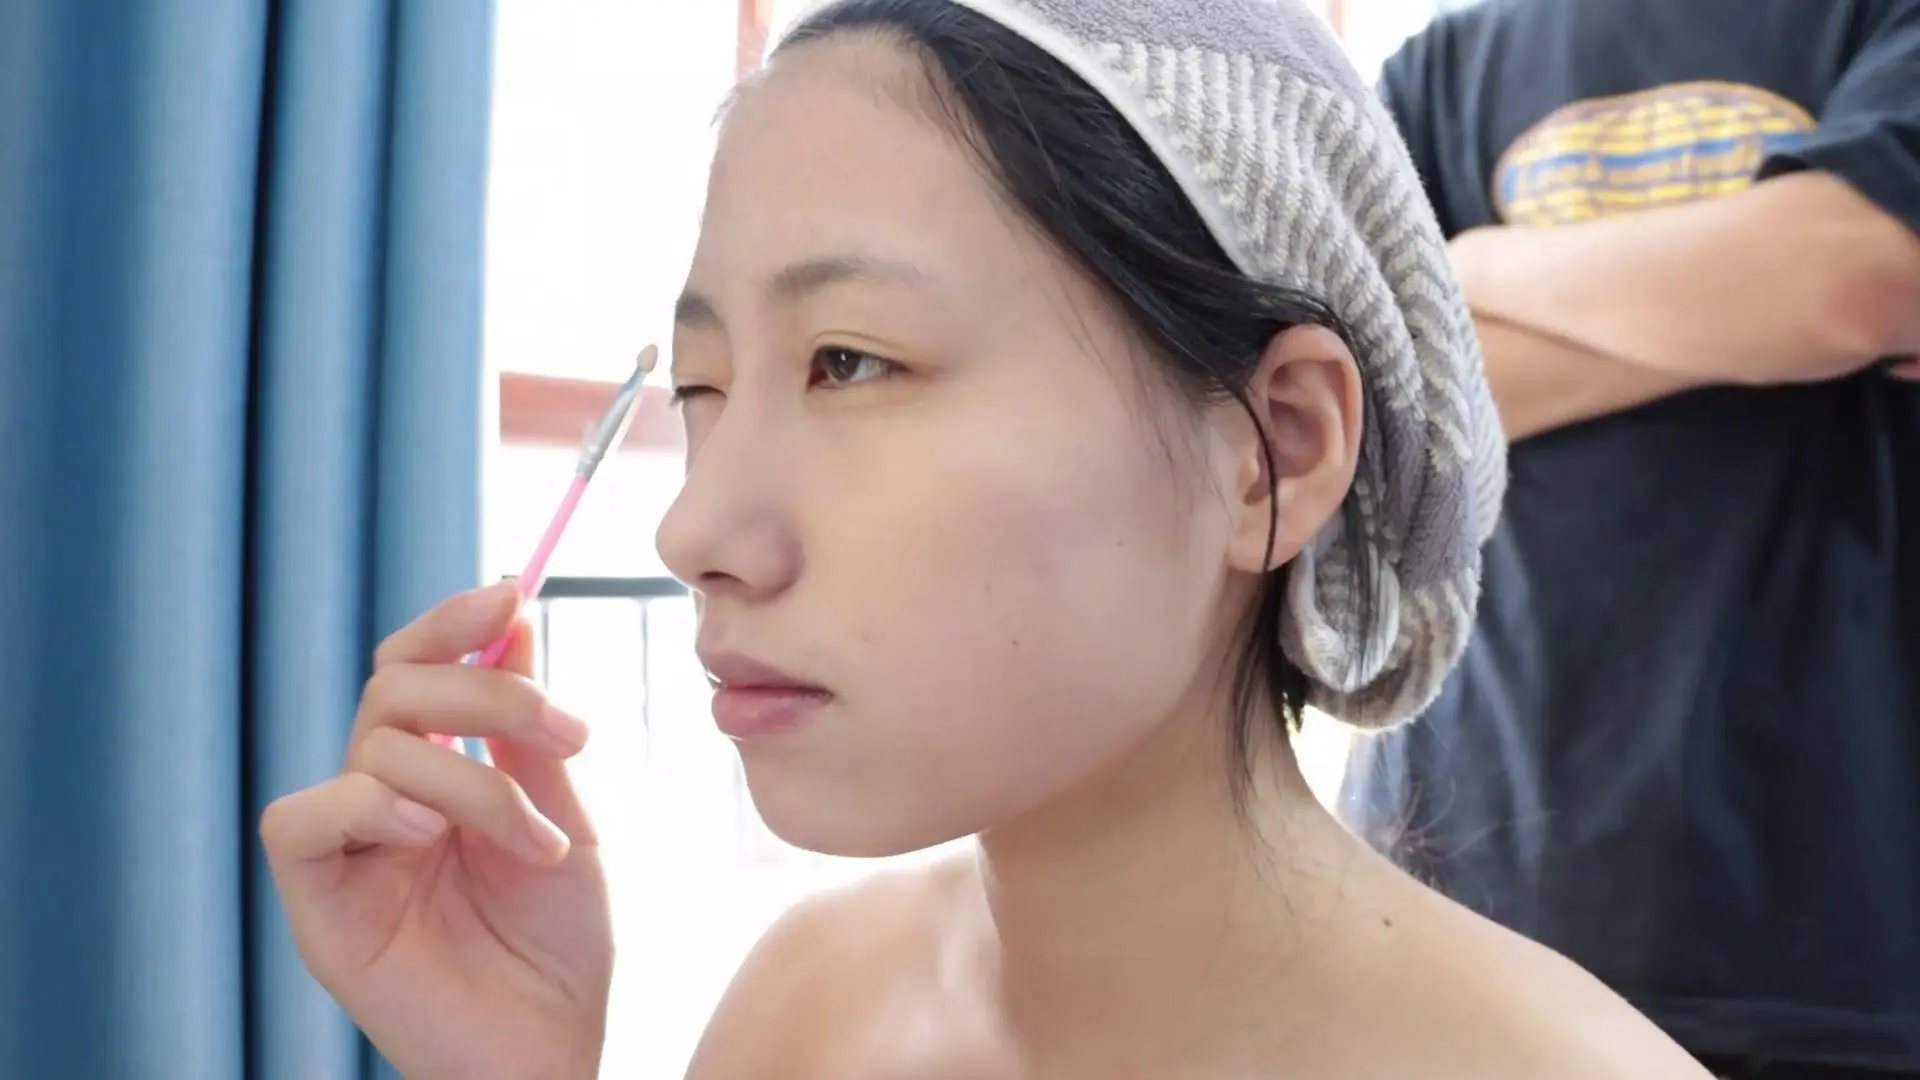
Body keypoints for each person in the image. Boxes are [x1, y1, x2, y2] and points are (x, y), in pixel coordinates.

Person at [260, 1, 1715, 1077]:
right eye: (702, 387)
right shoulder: (799, 1015)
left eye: (849, 362)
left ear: (1277, 446)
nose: (695, 529)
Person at [1340, 1, 1920, 1077]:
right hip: (1462, 911)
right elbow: (1361, 404)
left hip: (1842, 930)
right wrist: (1754, 309)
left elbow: (1853, 279)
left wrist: (1473, 268)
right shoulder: (1437, 68)